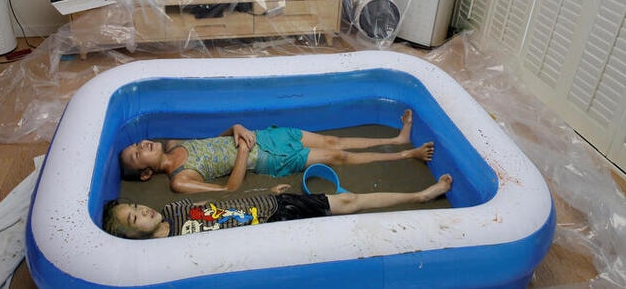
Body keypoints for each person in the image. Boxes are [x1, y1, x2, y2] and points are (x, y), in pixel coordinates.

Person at [120, 109, 435, 194]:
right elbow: (229, 189)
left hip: (265, 136)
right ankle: (407, 155)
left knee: (332, 141)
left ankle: (397, 139)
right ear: (146, 173)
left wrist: (237, 127)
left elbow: (216, 141)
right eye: (136, 154)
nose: (140, 146)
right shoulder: (180, 179)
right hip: (267, 158)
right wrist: (243, 151)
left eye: (135, 145)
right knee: (338, 158)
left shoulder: (174, 144)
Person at [102, 174, 453, 239]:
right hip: (273, 234)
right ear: (135, 236)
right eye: (135, 216)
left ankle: (421, 196)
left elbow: (221, 203)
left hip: (274, 204)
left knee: (349, 202)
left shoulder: (174, 211)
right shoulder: (171, 243)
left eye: (136, 205)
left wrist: (265, 189)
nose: (144, 209)